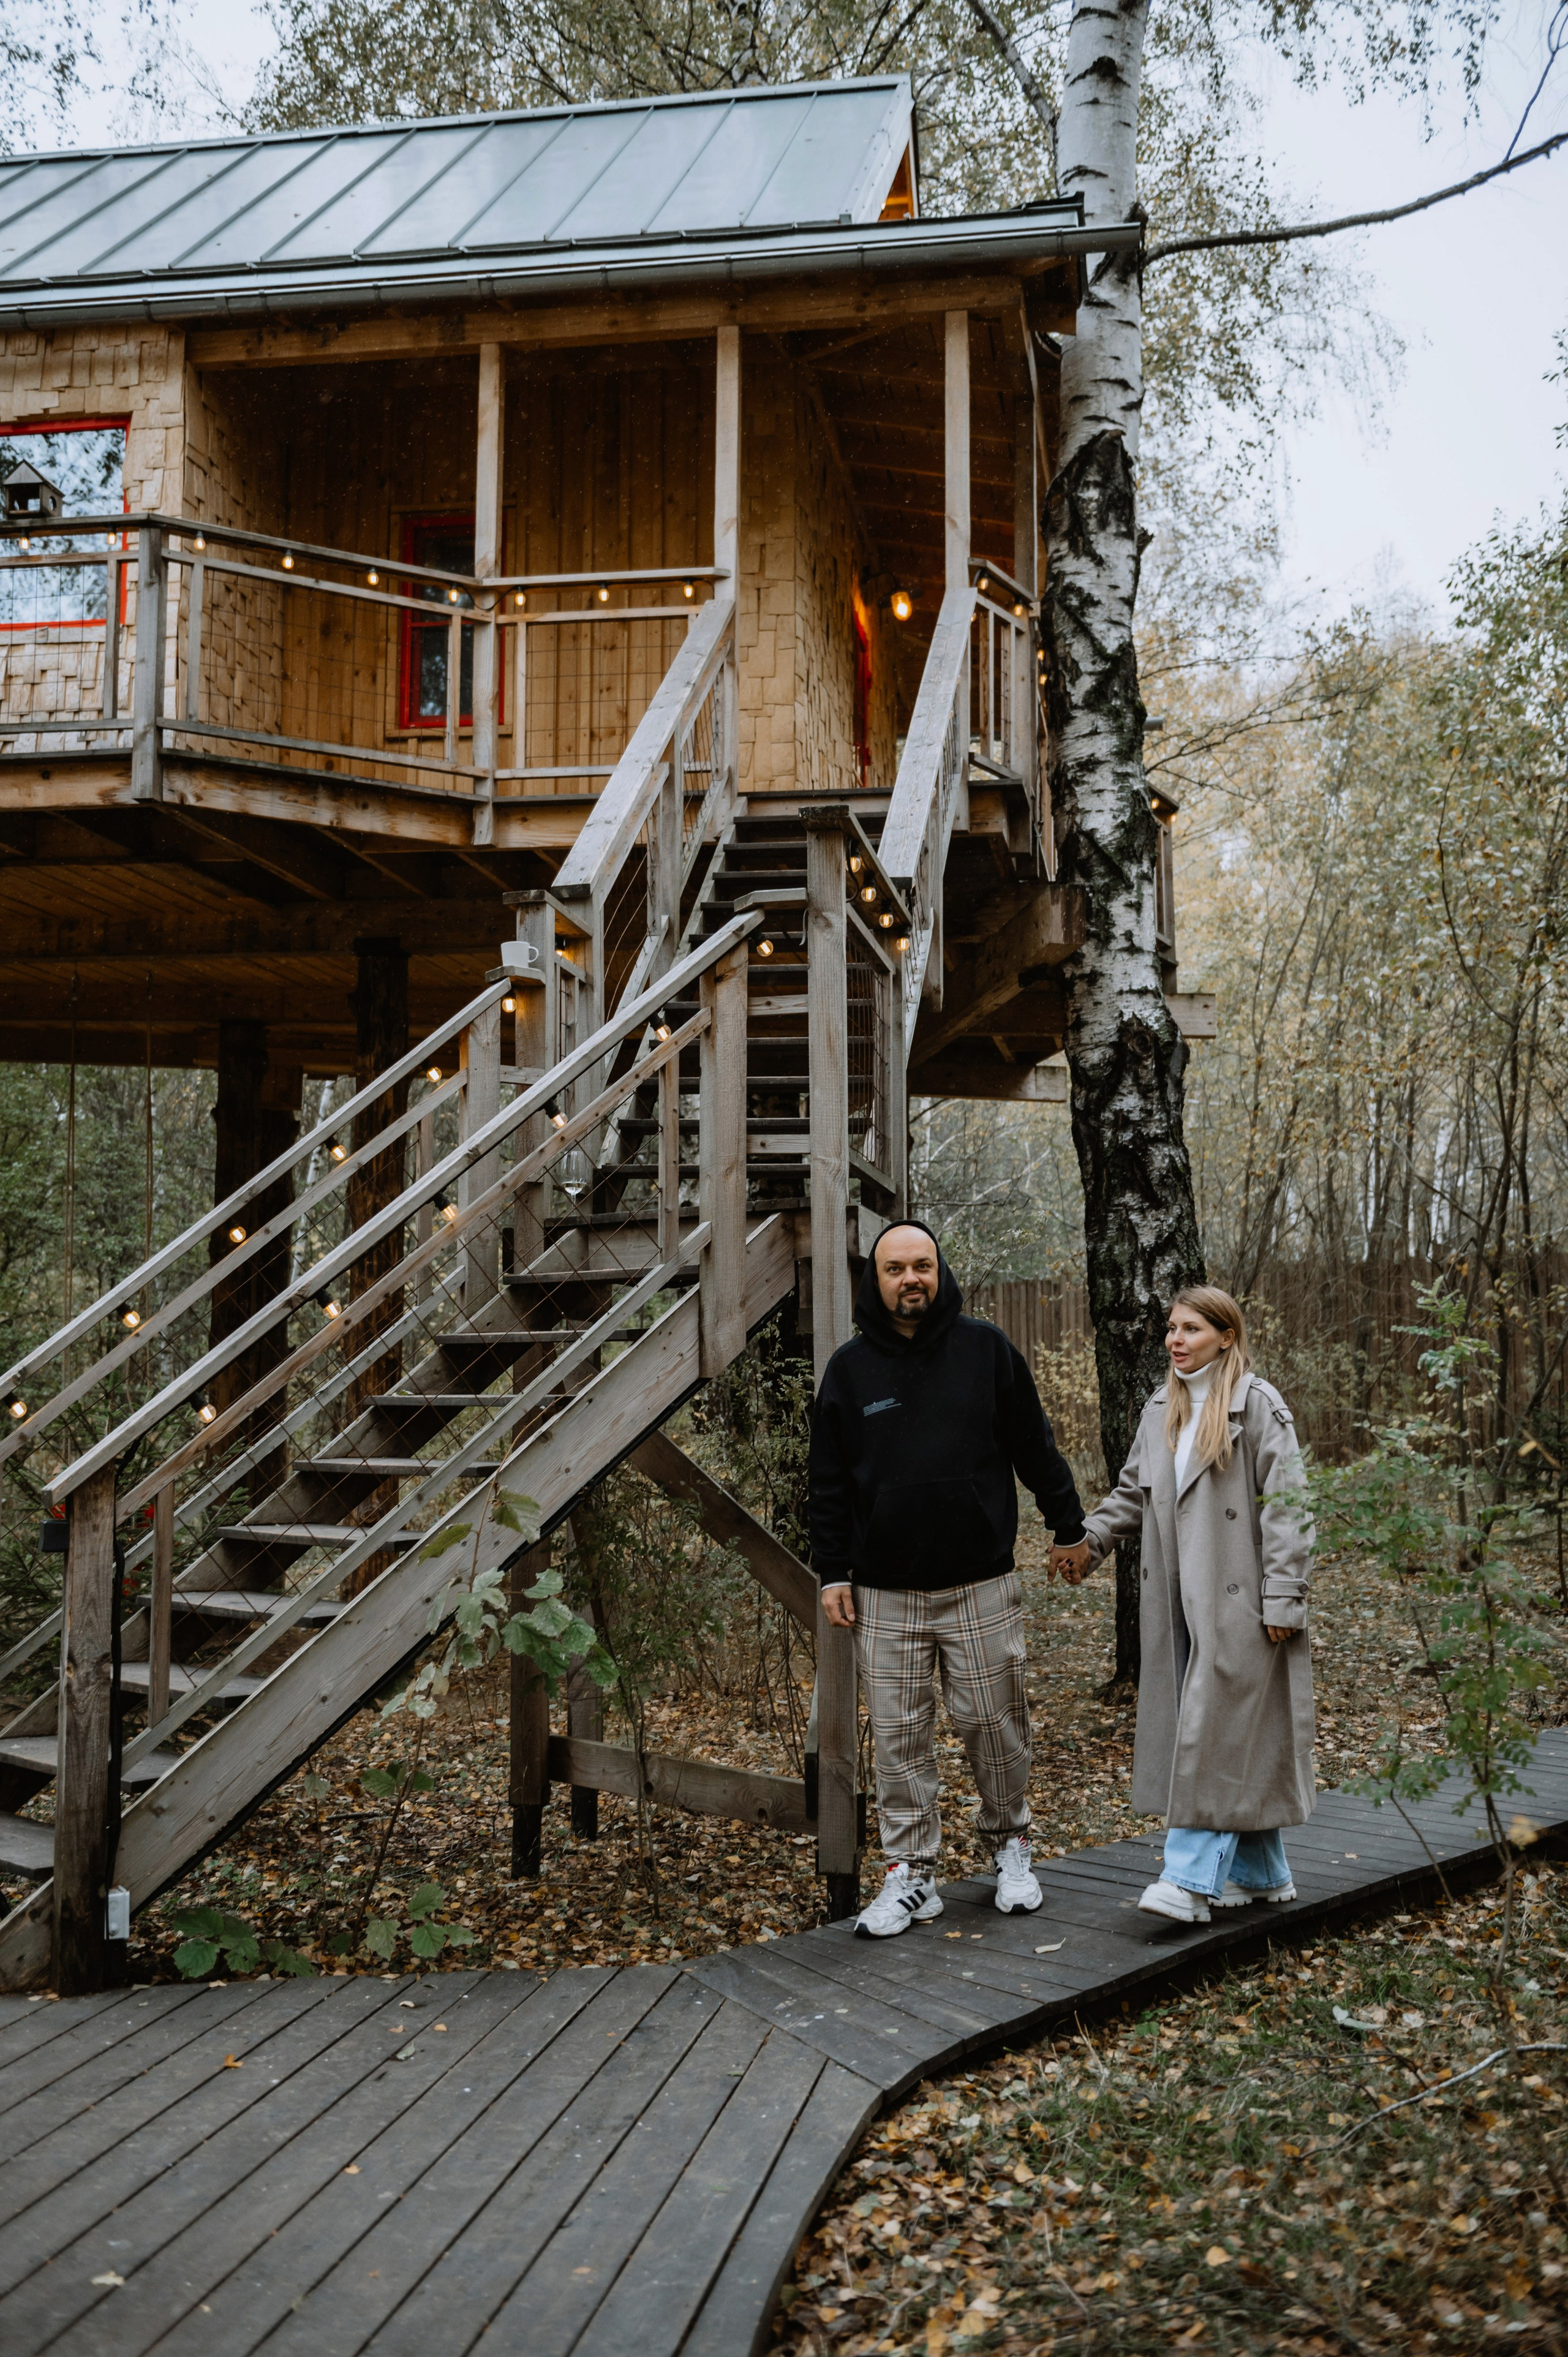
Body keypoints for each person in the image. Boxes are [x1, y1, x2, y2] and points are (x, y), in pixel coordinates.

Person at [809, 1220, 1088, 1937]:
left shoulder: (985, 1349)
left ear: (939, 1271)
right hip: (885, 1592)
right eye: (895, 1268)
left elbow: (1034, 1443)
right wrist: (832, 1570)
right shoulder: (847, 1371)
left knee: (993, 1725)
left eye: (922, 1266)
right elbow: (829, 1483)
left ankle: (1011, 1846)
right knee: (900, 1738)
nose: (911, 1279)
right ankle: (912, 1874)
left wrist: (1067, 1524)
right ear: (876, 1279)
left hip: (979, 1583)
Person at [1050, 1285, 1314, 1924]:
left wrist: (1283, 1596)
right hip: (1177, 1597)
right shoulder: (1161, 1407)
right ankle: (1259, 1871)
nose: (1175, 1339)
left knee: (1213, 1730)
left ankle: (1188, 1878)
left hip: (1242, 1601)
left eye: (1191, 1328)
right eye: (1171, 1328)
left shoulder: (1257, 1404)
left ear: (1225, 1336)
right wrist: (1091, 1539)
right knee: (1225, 1729)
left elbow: (1289, 1510)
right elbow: (1135, 1493)